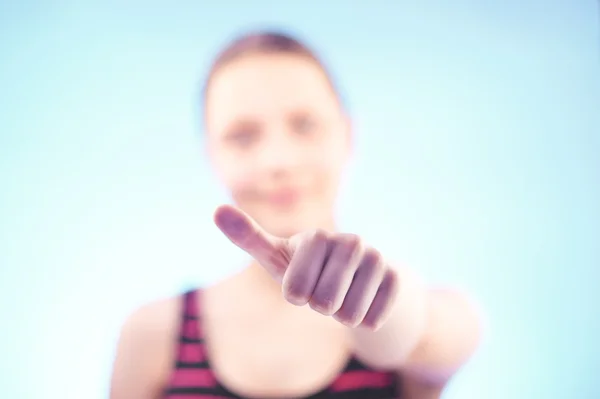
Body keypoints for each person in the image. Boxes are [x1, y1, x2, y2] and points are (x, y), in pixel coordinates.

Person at [109, 29, 482, 399]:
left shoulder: (435, 315)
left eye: (305, 125)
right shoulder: (151, 337)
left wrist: (385, 311)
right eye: (242, 136)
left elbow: (439, 334)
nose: (278, 161)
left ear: (348, 136)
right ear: (212, 155)